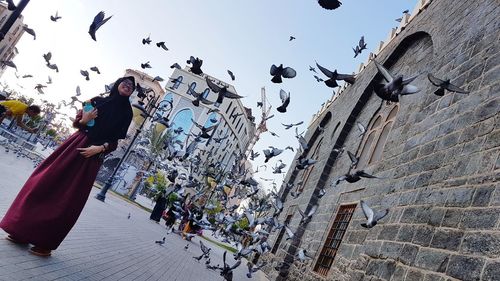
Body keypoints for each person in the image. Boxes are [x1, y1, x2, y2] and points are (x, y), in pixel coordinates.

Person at [0, 76, 136, 257]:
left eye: (131, 87)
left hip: (91, 157)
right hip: (74, 145)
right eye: (125, 83)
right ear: (118, 84)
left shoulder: (127, 113)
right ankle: (21, 230)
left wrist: (99, 148)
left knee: (67, 200)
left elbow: (115, 142)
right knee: (43, 183)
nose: (128, 86)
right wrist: (85, 119)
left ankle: (45, 243)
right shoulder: (97, 101)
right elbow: (77, 123)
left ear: (132, 92)